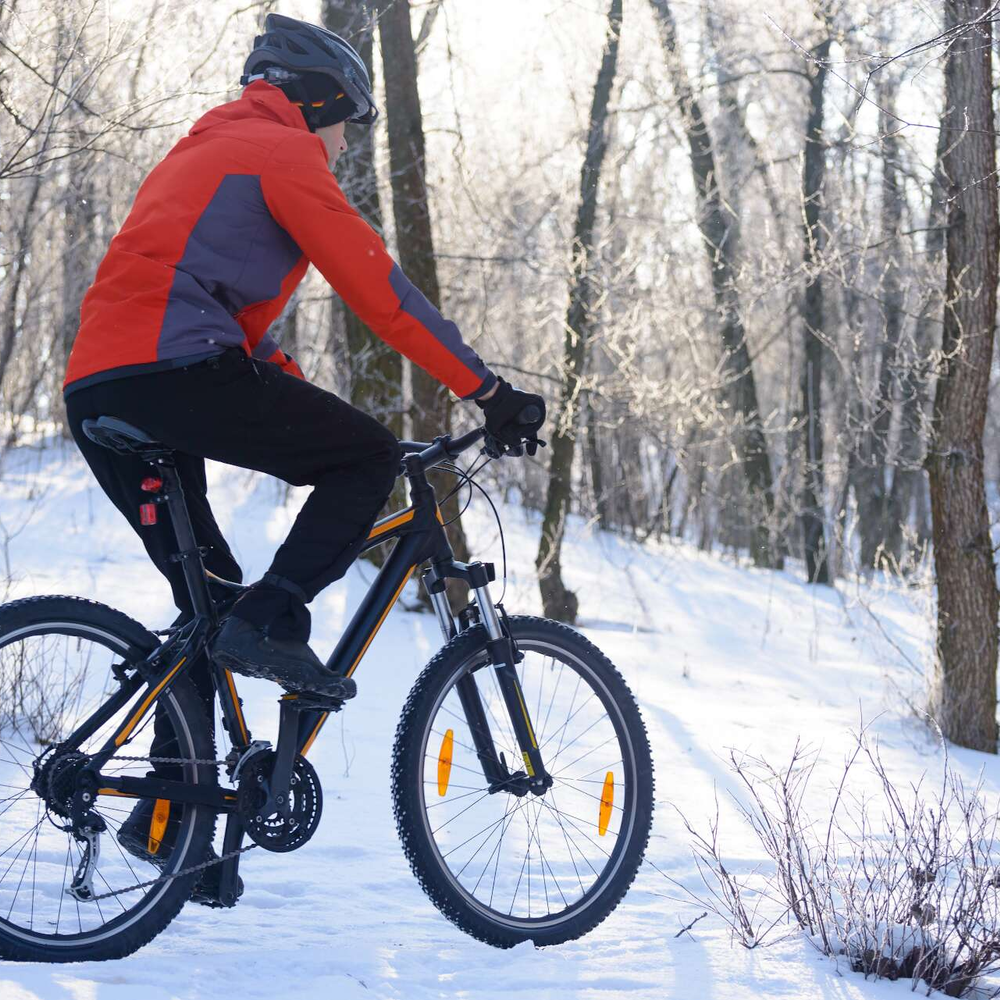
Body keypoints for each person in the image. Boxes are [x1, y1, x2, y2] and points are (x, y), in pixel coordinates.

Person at [62, 13, 545, 904]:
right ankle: (275, 619)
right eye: (342, 120)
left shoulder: (202, 151)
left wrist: (308, 395)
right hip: (176, 372)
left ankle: (181, 840)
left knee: (204, 605)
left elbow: (232, 332)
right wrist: (487, 391)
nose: (340, 141)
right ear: (315, 98)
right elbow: (380, 291)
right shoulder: (281, 154)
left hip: (103, 389)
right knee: (360, 460)